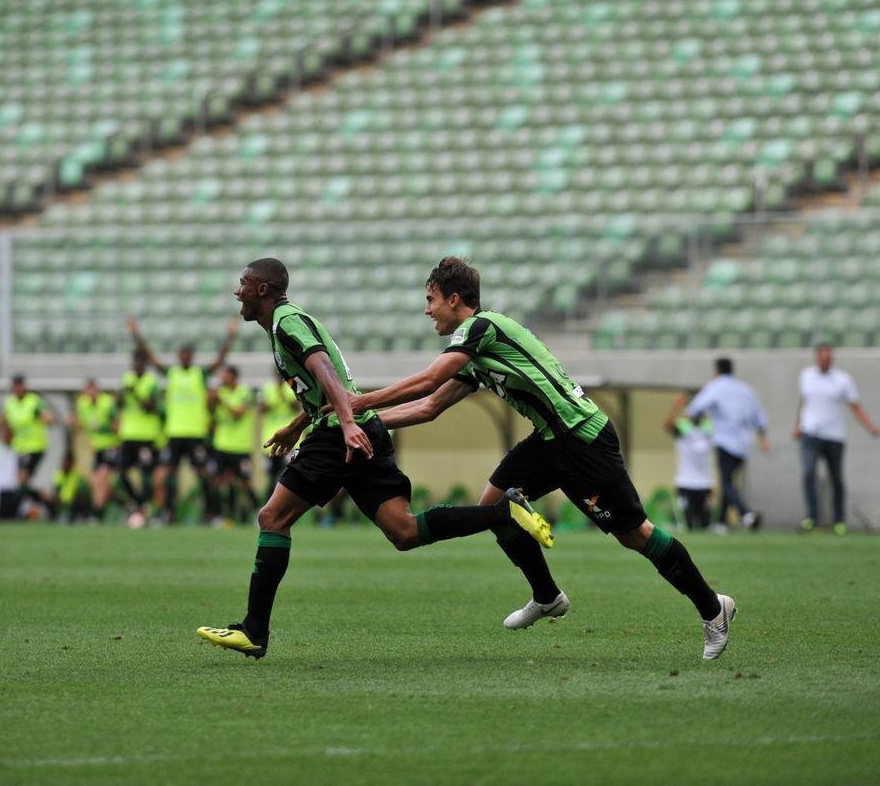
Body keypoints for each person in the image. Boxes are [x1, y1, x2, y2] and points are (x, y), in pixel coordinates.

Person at [340, 258, 735, 660]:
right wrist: (358, 422)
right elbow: (429, 408)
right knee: (493, 508)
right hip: (550, 441)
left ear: (454, 299)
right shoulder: (476, 350)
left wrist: (357, 403)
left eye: (431, 299)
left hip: (582, 439)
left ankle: (712, 608)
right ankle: (546, 596)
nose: (427, 310)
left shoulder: (481, 328)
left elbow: (427, 381)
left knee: (636, 535)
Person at [197, 258, 553, 659]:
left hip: (340, 436)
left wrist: (346, 425)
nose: (237, 291)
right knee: (404, 532)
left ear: (263, 289)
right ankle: (501, 514)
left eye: (244, 283)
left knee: (272, 519)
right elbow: (325, 383)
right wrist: (301, 423)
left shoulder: (286, 321)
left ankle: (254, 631)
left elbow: (326, 370)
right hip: (361, 428)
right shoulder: (286, 323)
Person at [126, 317, 238, 525]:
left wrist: (231, 335)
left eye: (188, 354)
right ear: (179, 357)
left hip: (195, 434)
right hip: (175, 434)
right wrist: (135, 334)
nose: (186, 357)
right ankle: (164, 513)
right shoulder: (172, 373)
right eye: (183, 354)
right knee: (162, 476)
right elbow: (150, 357)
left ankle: (211, 514)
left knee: (205, 476)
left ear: (192, 357)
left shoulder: (199, 374)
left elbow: (220, 360)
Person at [794, 343, 880, 535]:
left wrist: (869, 426)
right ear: (817, 358)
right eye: (822, 356)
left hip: (834, 436)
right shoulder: (806, 376)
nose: (825, 360)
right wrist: (798, 424)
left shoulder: (843, 380)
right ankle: (812, 518)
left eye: (829, 357)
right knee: (808, 473)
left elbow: (854, 406)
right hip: (810, 434)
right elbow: (804, 401)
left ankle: (839, 521)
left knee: (836, 479)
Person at [687, 358, 769, 531]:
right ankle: (721, 522)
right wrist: (763, 439)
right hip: (744, 445)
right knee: (730, 482)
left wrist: (698, 419)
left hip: (724, 442)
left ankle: (746, 514)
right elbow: (759, 418)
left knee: (726, 483)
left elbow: (694, 408)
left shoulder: (715, 387)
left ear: (716, 371)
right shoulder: (746, 390)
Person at [208, 365, 258, 526]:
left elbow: (238, 413)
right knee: (219, 482)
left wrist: (221, 399)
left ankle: (258, 512)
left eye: (225, 375)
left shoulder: (244, 392)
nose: (222, 378)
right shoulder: (220, 393)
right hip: (222, 445)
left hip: (240, 447)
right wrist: (211, 400)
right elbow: (211, 414)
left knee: (244, 483)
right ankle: (221, 516)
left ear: (233, 377)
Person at [116, 350, 164, 519]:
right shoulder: (127, 378)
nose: (137, 366)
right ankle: (137, 502)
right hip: (128, 435)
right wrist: (123, 392)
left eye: (140, 363)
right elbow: (119, 403)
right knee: (122, 472)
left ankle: (147, 507)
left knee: (147, 474)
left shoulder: (151, 382)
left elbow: (150, 407)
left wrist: (135, 392)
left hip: (146, 435)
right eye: (135, 362)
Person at [664, 393, 714, 532]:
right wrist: (675, 407)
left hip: (705, 483)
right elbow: (667, 424)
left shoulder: (708, 428)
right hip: (685, 482)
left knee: (706, 524)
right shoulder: (683, 427)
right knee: (688, 525)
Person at [71, 378, 121, 518]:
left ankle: (97, 512)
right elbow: (83, 423)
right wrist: (75, 423)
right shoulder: (82, 404)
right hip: (97, 448)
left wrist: (102, 428)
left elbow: (117, 426)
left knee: (101, 478)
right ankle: (119, 502)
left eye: (93, 390)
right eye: (88, 390)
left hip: (110, 446)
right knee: (95, 482)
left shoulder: (107, 403)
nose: (91, 393)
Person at [2, 375, 54, 497]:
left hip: (35, 447)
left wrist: (48, 418)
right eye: (16, 386)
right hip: (19, 448)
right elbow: (5, 423)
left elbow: (46, 415)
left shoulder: (33, 401)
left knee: (23, 477)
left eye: (20, 385)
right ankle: (41, 499)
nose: (18, 388)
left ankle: (36, 501)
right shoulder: (10, 403)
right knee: (22, 480)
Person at [259, 371, 300, 487]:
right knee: (272, 475)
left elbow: (297, 407)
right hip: (271, 439)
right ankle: (269, 501)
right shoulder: (267, 388)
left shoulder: (293, 387)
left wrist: (283, 395)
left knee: (290, 473)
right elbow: (261, 409)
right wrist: (272, 401)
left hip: (290, 440)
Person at [48, 451, 93, 523]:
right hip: (62, 502)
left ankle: (81, 517)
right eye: (63, 462)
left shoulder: (78, 476)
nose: (64, 464)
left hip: (74, 502)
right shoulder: (58, 476)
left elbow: (83, 492)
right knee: (49, 498)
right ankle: (54, 518)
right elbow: (56, 490)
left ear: (71, 463)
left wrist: (71, 499)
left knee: (81, 500)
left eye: (66, 462)